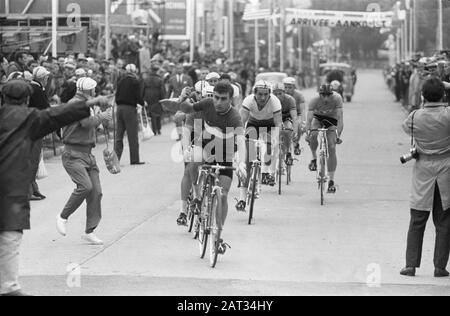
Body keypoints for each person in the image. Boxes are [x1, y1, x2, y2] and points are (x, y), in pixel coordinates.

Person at [0, 79, 92, 296]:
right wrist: (87, 104)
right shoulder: (31, 118)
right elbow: (57, 114)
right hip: (11, 185)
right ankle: (9, 287)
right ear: (28, 100)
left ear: (3, 98)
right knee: (10, 236)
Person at [178, 82, 247, 253]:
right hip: (205, 145)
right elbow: (187, 108)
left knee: (222, 195)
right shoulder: (207, 104)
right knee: (194, 159)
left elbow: (241, 141)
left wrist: (242, 164)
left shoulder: (234, 117)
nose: (218, 102)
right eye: (216, 97)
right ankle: (195, 195)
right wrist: (182, 98)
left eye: (223, 99)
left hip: (225, 154)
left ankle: (218, 236)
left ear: (231, 99)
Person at [400, 77, 450, 278]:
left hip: (423, 171)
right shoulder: (448, 115)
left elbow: (406, 129)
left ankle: (411, 265)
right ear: (443, 94)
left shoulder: (414, 117)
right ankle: (439, 267)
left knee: (417, 218)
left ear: (422, 96)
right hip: (446, 169)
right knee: (444, 220)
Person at [56, 77, 112, 245]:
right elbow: (85, 122)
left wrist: (102, 121)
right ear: (89, 91)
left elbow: (92, 124)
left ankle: (90, 231)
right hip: (73, 153)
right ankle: (62, 216)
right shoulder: (75, 103)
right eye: (94, 89)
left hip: (87, 153)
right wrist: (101, 116)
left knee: (96, 192)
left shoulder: (87, 104)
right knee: (85, 186)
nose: (95, 92)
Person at [235, 80, 282, 211]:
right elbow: (241, 121)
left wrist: (274, 139)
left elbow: (278, 124)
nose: (262, 97)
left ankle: (265, 171)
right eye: (260, 94)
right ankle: (242, 199)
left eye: (265, 94)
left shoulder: (275, 101)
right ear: (255, 93)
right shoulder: (249, 100)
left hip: (269, 125)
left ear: (269, 94)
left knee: (268, 148)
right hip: (253, 124)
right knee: (248, 161)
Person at [305, 84, 344, 194]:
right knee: (313, 135)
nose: (326, 98)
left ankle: (331, 180)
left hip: (332, 120)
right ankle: (314, 158)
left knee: (331, 146)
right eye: (323, 95)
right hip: (318, 118)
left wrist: (338, 136)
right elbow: (309, 120)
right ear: (319, 94)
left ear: (332, 94)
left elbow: (340, 119)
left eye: (328, 95)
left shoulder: (337, 99)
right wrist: (308, 133)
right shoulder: (314, 101)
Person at [28, 67, 52, 201]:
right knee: (33, 160)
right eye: (46, 78)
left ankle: (33, 189)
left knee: (33, 159)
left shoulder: (31, 87)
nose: (47, 80)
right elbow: (46, 110)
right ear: (42, 78)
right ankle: (29, 191)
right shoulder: (37, 90)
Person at [114, 64, 146, 165]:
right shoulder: (135, 81)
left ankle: (115, 160)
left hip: (119, 109)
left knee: (119, 135)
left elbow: (116, 95)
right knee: (132, 135)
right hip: (129, 109)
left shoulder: (120, 81)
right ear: (134, 71)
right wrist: (142, 103)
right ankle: (134, 159)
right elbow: (137, 96)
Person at [272, 83, 298, 167]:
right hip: (274, 118)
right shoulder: (270, 100)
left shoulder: (290, 100)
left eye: (280, 93)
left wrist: (295, 130)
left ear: (284, 93)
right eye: (275, 93)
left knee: (287, 130)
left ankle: (288, 152)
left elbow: (294, 117)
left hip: (286, 118)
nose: (277, 96)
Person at [168, 64, 194, 141]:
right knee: (177, 117)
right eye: (177, 68)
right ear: (175, 69)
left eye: (180, 68)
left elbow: (191, 88)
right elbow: (169, 90)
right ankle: (179, 135)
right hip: (176, 100)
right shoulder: (172, 79)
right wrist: (168, 100)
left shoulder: (188, 78)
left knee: (186, 117)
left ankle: (186, 133)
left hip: (186, 100)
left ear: (182, 69)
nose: (179, 69)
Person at [283, 77, 306, 156]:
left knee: (298, 125)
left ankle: (296, 143)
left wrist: (303, 122)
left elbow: (303, 110)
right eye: (285, 87)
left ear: (294, 87)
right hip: (285, 114)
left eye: (290, 87)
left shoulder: (299, 95)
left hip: (297, 114)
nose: (287, 89)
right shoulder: (280, 94)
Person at [142, 62, 166, 136]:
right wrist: (163, 99)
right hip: (157, 96)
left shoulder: (146, 79)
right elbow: (162, 90)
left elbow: (142, 89)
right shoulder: (159, 80)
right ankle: (158, 129)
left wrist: (143, 98)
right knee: (157, 113)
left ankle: (154, 130)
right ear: (156, 71)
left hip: (148, 96)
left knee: (152, 114)